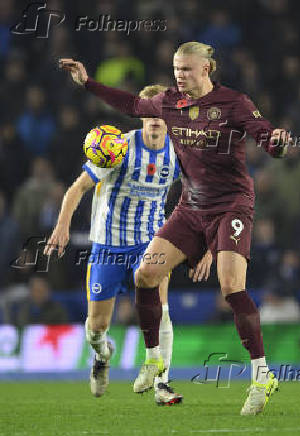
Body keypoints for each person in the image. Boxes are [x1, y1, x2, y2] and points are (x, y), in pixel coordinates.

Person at [59, 41, 290, 415]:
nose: (179, 76)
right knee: (146, 275)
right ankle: (153, 359)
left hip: (231, 204)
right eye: (176, 69)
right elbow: (131, 104)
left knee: (231, 287)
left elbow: (265, 135)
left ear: (206, 69)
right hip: (191, 206)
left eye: (186, 69)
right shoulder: (168, 102)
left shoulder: (234, 103)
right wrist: (88, 83)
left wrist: (277, 144)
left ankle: (261, 373)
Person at [45, 84, 210, 405]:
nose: (154, 120)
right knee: (97, 327)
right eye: (148, 113)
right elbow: (77, 189)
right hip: (108, 246)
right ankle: (103, 353)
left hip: (151, 242)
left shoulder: (179, 153)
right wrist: (62, 226)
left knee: (161, 312)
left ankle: (163, 384)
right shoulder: (118, 148)